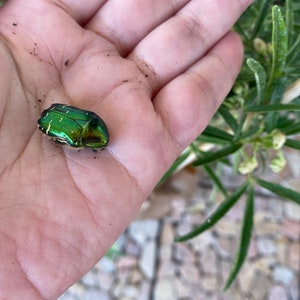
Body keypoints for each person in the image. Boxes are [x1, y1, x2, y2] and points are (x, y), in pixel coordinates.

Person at [0, 0, 252, 298]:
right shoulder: (56, 124)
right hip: (80, 123)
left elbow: (70, 132)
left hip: (82, 124)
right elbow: (68, 130)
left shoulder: (63, 128)